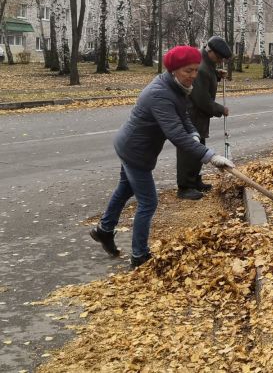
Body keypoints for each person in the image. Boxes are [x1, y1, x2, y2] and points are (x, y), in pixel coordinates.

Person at [90, 45, 235, 268]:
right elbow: (175, 133)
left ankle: (104, 230)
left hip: (131, 146)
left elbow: (184, 115)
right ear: (174, 70)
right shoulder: (160, 93)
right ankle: (139, 256)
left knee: (125, 189)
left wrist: (194, 133)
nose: (193, 76)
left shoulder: (176, 86)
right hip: (135, 151)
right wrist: (210, 156)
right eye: (189, 71)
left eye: (196, 70)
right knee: (148, 202)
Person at [176, 36, 233, 200]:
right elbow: (201, 99)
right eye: (219, 57)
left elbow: (208, 76)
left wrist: (216, 75)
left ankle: (194, 180)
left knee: (199, 146)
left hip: (197, 115)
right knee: (189, 149)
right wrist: (221, 109)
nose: (221, 61)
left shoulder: (205, 62)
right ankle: (185, 186)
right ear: (210, 51)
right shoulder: (200, 68)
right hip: (191, 114)